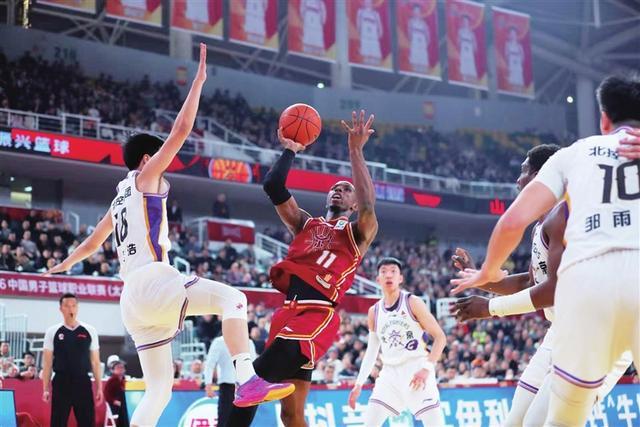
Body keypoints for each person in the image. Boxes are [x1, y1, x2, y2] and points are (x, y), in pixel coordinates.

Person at [45, 44, 294, 427]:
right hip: (153, 282)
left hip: (131, 300)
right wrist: (199, 81)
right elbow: (180, 131)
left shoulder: (118, 198)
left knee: (159, 390)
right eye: (159, 155)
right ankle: (246, 377)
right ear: (147, 159)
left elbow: (92, 244)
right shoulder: (146, 177)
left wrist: (64, 264)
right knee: (235, 299)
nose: (166, 160)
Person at [450, 74, 640, 426]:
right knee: (519, 420)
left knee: (551, 421)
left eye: (523, 172)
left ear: (603, 120)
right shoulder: (549, 222)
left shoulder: (572, 164)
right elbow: (531, 280)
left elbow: (512, 224)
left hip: (587, 302)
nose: (518, 179)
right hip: (575, 317)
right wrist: (484, 279)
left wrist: (489, 287)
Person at [228, 110, 379, 426]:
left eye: (346, 188)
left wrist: (355, 150)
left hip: (317, 314)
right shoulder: (304, 224)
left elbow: (368, 204)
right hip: (287, 314)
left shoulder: (358, 233)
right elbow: (273, 185)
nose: (339, 190)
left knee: (253, 380)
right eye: (335, 187)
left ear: (354, 204)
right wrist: (290, 150)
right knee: (291, 414)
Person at [349, 258, 446, 426]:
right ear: (377, 279)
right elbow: (372, 351)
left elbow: (440, 337)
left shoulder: (413, 302)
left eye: (393, 271)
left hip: (417, 371)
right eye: (384, 272)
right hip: (389, 376)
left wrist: (426, 368)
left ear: (400, 278)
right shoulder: (374, 311)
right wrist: (359, 383)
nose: (389, 275)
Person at [42, 293, 103, 427]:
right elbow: (47, 363)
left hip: (82, 382)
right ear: (61, 308)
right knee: (58, 422)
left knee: (87, 422)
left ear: (77, 308)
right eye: (67, 306)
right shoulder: (52, 331)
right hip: (61, 382)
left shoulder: (90, 330)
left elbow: (95, 362)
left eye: (74, 306)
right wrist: (45, 388)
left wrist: (99, 387)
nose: (71, 309)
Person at [205, 335, 257, 427]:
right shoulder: (220, 341)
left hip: (244, 387)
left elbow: (254, 366)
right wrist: (208, 384)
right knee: (225, 420)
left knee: (241, 421)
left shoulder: (248, 342)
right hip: (229, 386)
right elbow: (209, 364)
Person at [104, 355, 129, 427]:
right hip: (115, 406)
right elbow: (106, 395)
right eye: (118, 367)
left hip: (122, 405)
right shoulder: (112, 380)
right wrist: (115, 401)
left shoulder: (124, 380)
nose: (120, 369)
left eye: (122, 367)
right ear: (113, 370)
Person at [408, 4, 430, 72]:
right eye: (415, 11)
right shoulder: (411, 22)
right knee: (415, 65)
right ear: (413, 12)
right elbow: (409, 34)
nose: (416, 13)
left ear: (420, 12)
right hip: (414, 45)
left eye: (418, 11)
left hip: (422, 45)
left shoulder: (423, 23)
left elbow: (427, 36)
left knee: (423, 66)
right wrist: (413, 42)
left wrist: (425, 44)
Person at [458, 14, 478, 80]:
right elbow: (458, 40)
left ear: (468, 22)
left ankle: (471, 75)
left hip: (469, 48)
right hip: (463, 47)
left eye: (466, 21)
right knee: (464, 60)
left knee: (470, 60)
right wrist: (460, 46)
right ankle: (464, 75)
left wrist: (475, 48)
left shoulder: (471, 33)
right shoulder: (460, 31)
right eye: (464, 21)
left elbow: (474, 42)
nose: (465, 23)